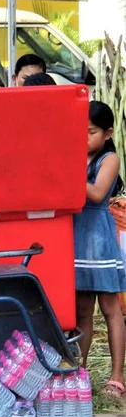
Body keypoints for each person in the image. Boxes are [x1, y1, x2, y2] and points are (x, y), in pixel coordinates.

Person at [74, 101, 126, 398]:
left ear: (107, 133)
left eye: (90, 132)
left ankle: (116, 377)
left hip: (99, 239)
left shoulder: (109, 159)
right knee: (82, 313)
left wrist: (66, 170)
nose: (84, 138)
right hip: (77, 239)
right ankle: (79, 373)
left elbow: (94, 194)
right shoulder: (77, 157)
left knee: (110, 310)